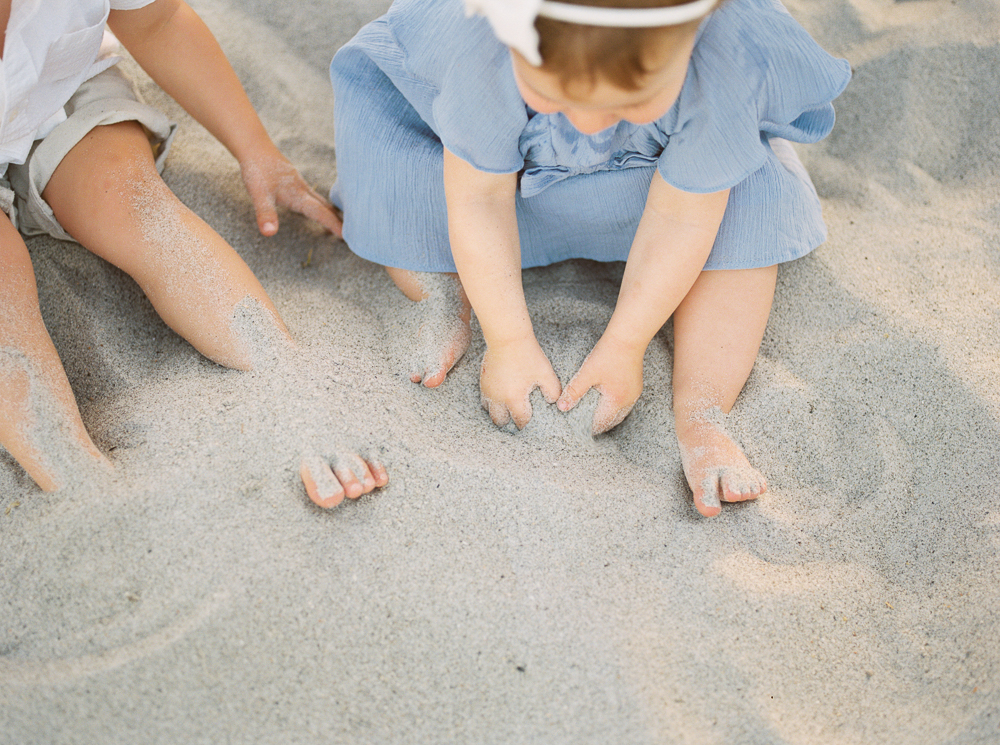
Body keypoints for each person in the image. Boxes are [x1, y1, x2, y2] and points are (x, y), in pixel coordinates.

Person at [328, 0, 850, 516]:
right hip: (493, 180)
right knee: (407, 200)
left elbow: (683, 219)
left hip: (657, 185)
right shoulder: (481, 39)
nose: (589, 122)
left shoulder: (728, 53)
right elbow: (479, 202)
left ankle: (703, 412)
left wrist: (627, 343)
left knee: (745, 208)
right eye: (551, 92)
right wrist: (507, 339)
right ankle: (443, 292)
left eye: (628, 100)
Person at [0, 0, 387, 506]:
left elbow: (158, 21)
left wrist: (254, 149)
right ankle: (78, 480)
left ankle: (290, 383)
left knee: (135, 203)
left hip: (54, 88)